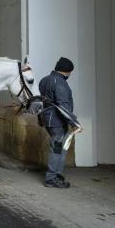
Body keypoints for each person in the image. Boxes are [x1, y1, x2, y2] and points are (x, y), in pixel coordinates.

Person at [39, 57, 82, 188]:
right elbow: (63, 106)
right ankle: (51, 178)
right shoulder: (60, 83)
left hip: (47, 119)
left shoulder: (44, 80)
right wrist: (74, 123)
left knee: (58, 148)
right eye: (70, 72)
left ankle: (56, 174)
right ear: (68, 71)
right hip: (57, 121)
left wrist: (40, 119)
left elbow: (39, 101)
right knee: (57, 149)